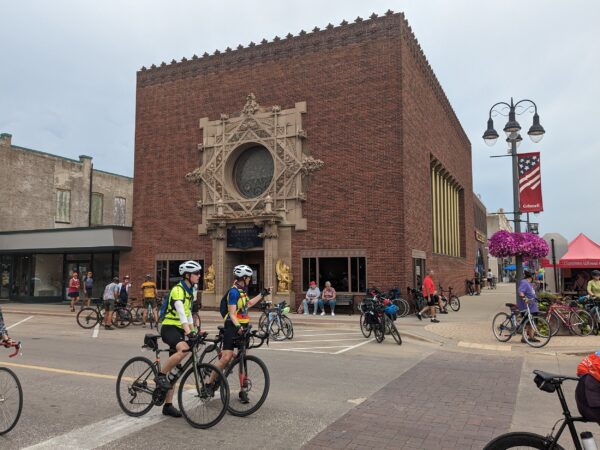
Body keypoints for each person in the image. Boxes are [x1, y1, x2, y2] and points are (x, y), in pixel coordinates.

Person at [210, 265, 271, 403]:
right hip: (233, 327)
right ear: (244, 278)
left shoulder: (242, 291)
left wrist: (262, 294)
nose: (250, 279)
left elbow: (248, 304)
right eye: (249, 277)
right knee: (226, 358)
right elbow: (232, 314)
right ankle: (209, 384)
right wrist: (238, 326)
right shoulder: (233, 292)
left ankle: (242, 391)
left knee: (243, 358)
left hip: (243, 327)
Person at [155, 261, 202, 418]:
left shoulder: (190, 290)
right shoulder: (178, 290)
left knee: (175, 371)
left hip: (180, 329)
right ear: (187, 275)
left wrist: (194, 331)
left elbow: (188, 314)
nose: (199, 276)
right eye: (196, 273)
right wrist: (189, 332)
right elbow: (181, 312)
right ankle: (160, 375)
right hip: (169, 327)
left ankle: (167, 405)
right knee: (183, 349)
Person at [518, 269, 539, 343]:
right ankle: (524, 338)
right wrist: (525, 299)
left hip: (532, 306)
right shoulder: (524, 282)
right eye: (534, 275)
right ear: (531, 276)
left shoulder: (529, 283)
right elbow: (521, 292)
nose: (535, 276)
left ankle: (531, 337)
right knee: (527, 322)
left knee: (533, 322)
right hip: (526, 306)